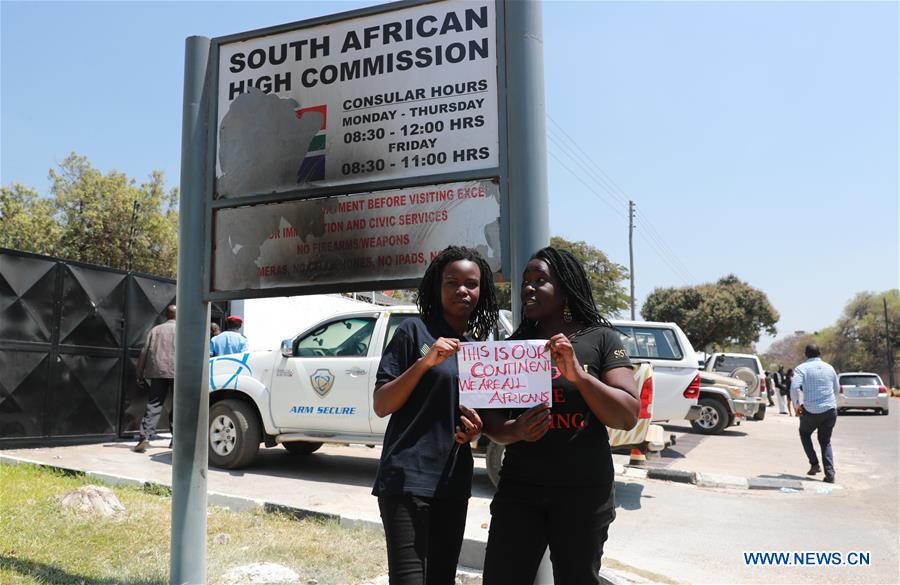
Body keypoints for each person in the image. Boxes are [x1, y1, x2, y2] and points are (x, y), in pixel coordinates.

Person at [480, 246, 639, 585]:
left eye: (540, 280)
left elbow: (627, 415)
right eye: (526, 281)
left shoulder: (601, 339)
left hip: (583, 492)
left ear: (565, 289)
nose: (528, 287)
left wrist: (580, 377)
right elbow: (492, 423)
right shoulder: (514, 347)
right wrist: (516, 430)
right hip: (520, 489)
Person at [372, 246, 499, 585]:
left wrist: (475, 430)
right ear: (437, 287)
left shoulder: (479, 350)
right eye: (452, 282)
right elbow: (382, 404)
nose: (462, 290)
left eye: (471, 284)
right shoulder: (413, 332)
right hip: (407, 478)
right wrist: (425, 362)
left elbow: (477, 414)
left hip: (453, 482)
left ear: (481, 290)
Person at [790, 344, 840, 483]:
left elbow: (794, 388)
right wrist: (831, 403)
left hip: (810, 411)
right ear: (819, 353)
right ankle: (830, 474)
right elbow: (836, 389)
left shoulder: (801, 368)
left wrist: (797, 406)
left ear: (806, 354)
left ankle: (814, 464)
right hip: (829, 410)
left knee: (804, 434)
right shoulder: (830, 368)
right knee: (825, 441)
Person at [133, 304, 176, 453]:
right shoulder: (183, 330)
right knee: (178, 406)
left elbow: (144, 352)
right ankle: (176, 440)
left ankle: (144, 437)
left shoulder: (156, 330)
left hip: (157, 371)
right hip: (178, 373)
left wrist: (139, 374)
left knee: (154, 404)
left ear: (166, 315)